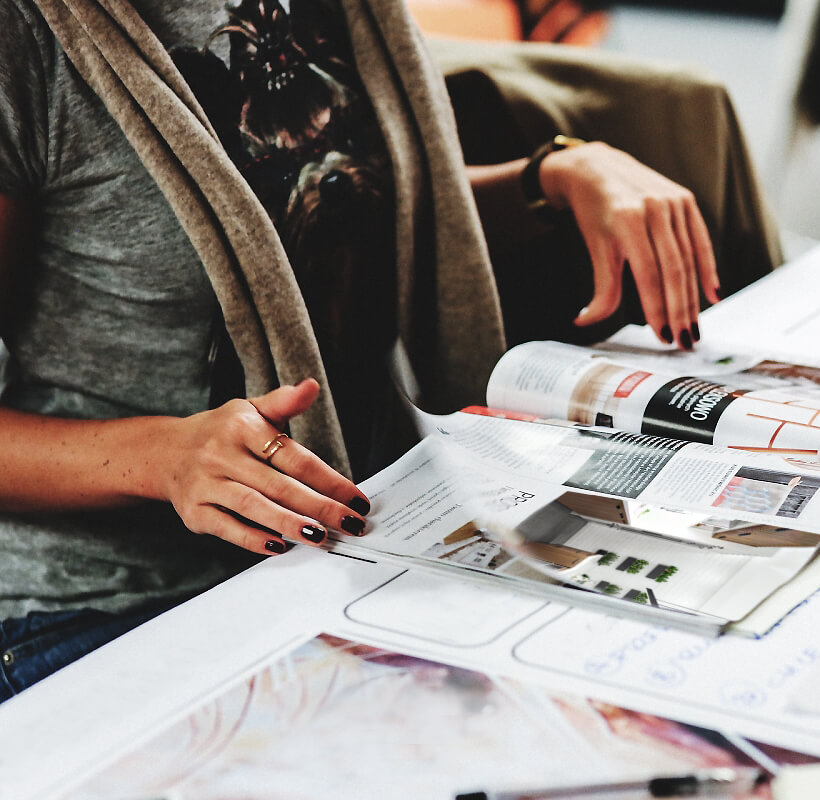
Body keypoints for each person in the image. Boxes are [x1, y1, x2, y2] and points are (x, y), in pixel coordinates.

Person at [0, 0, 741, 700]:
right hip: (106, 607)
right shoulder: (25, 37)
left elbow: (333, 216)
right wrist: (163, 456)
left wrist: (549, 180)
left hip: (365, 536)